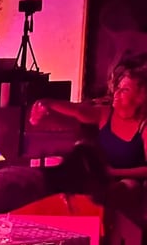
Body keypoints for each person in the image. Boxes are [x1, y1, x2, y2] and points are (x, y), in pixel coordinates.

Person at [30, 52, 147, 213]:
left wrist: (113, 172)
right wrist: (46, 103)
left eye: (125, 90)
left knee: (127, 187)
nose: (117, 94)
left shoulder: (143, 126)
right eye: (118, 88)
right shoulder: (105, 114)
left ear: (141, 97)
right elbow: (78, 111)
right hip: (99, 179)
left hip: (129, 184)